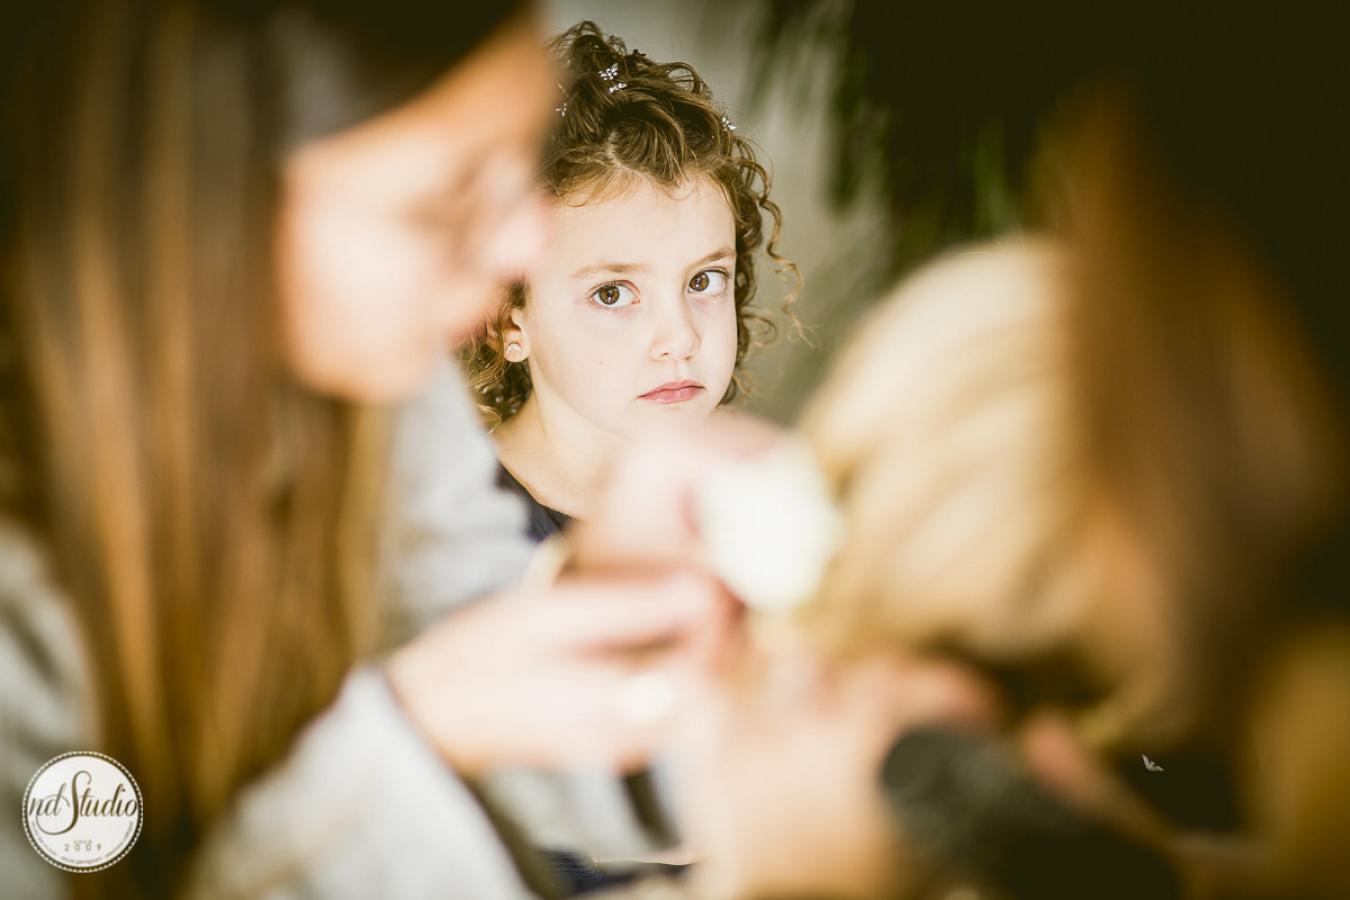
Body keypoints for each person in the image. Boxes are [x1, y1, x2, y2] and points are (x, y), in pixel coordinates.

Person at [0, 2, 730, 897]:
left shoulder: (386, 385)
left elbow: (486, 652)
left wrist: (629, 630)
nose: (520, 244)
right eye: (441, 203)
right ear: (200, 206)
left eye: (517, 167)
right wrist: (417, 730)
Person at [463, 21, 797, 539]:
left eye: (705, 280)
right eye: (612, 293)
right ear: (507, 320)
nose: (681, 339)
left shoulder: (760, 505)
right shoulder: (456, 539)